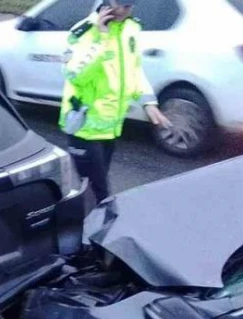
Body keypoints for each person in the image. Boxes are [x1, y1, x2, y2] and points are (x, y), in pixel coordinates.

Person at [60, 0, 171, 202]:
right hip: (83, 127)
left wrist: (148, 102)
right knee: (99, 192)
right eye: (120, 4)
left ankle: (91, 227)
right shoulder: (83, 32)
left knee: (96, 191)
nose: (126, 9)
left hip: (109, 127)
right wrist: (101, 39)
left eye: (130, 4)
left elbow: (133, 70)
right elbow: (76, 75)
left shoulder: (130, 28)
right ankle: (93, 229)